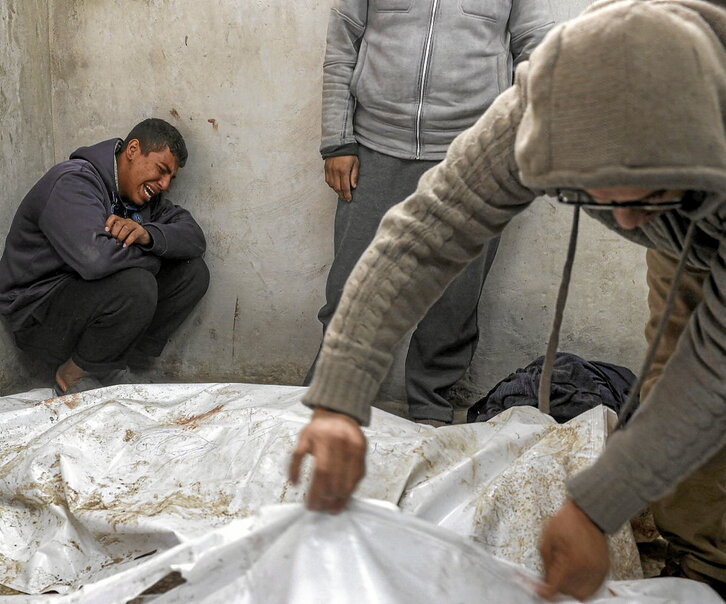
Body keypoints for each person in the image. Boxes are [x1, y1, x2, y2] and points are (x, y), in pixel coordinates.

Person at [290, 0, 726, 599]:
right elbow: (422, 237)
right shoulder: (543, 102)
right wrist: (340, 401)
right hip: (694, 215)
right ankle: (703, 557)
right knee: (671, 359)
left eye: (645, 199)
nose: (624, 220)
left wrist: (598, 504)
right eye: (597, 199)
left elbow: (714, 366)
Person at [307, 0, 554, 424]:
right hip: (373, 147)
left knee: (455, 296)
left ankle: (430, 405)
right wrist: (338, 140)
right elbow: (342, 43)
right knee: (353, 285)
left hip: (473, 153)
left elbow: (539, 50)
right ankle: (333, 398)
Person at [0, 118, 209, 395]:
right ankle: (72, 376)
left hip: (86, 302)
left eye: (171, 178)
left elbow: (194, 239)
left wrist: (148, 235)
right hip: (36, 314)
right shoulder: (73, 181)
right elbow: (94, 260)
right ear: (133, 150)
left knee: (192, 273)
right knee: (138, 284)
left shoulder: (144, 200)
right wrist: (152, 256)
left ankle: (118, 365)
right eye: (161, 171)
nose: (165, 184)